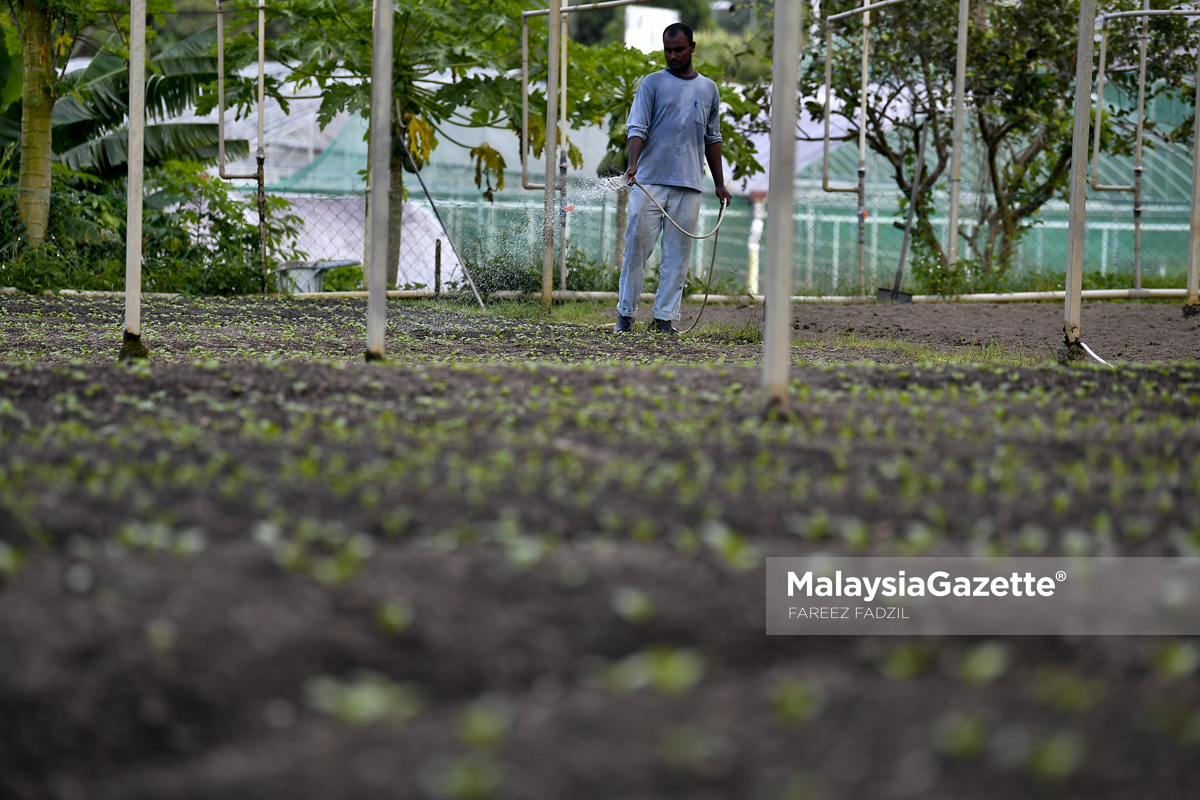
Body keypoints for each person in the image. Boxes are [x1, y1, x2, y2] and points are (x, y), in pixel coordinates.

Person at [615, 22, 732, 334]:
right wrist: (633, 165)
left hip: (690, 184)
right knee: (636, 251)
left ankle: (663, 318)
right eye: (668, 50)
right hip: (649, 182)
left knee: (678, 256)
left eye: (679, 49)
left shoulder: (709, 89)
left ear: (692, 48)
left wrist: (719, 184)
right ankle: (625, 316)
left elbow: (712, 138)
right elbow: (637, 126)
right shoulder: (651, 84)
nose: (673, 55)